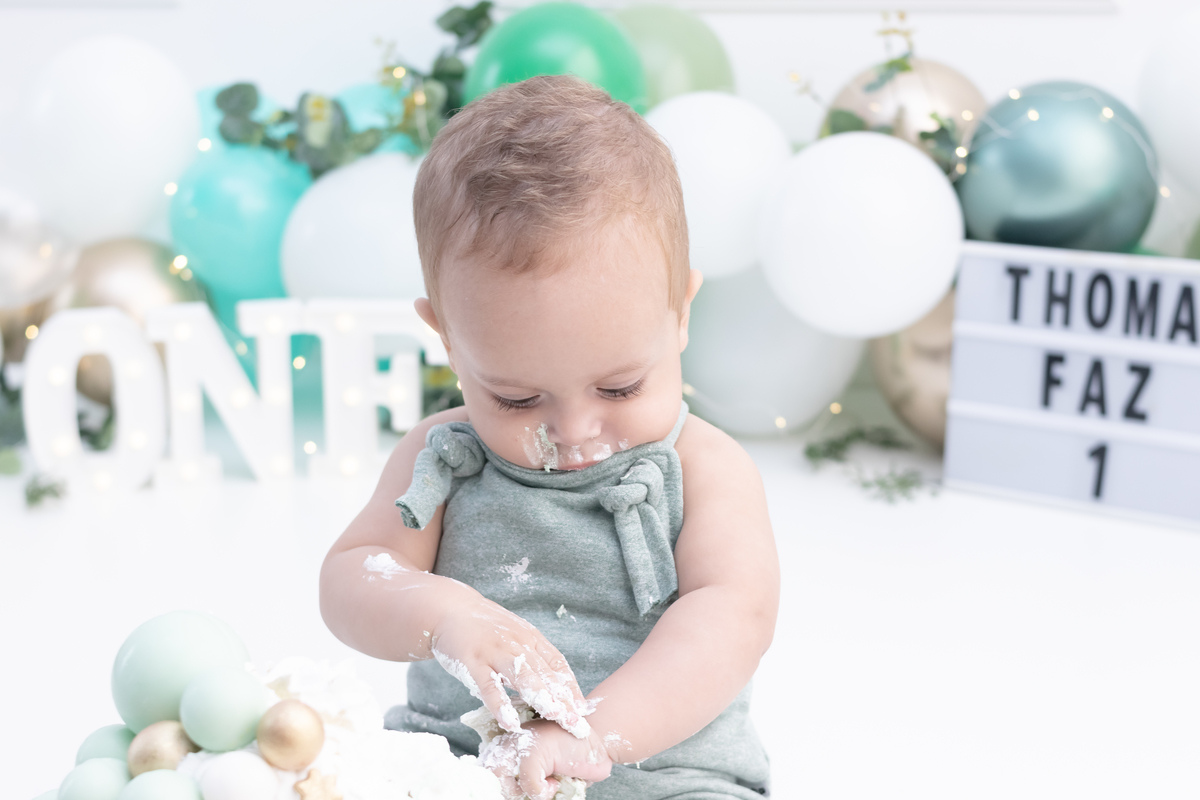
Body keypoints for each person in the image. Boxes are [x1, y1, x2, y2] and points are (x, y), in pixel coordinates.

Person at [319, 75, 779, 800]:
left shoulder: (706, 469)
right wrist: (440, 616)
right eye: (517, 397)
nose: (574, 430)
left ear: (681, 314)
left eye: (620, 387)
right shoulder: (442, 461)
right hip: (457, 770)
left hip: (666, 776)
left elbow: (731, 621)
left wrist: (586, 734)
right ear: (447, 339)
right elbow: (350, 578)